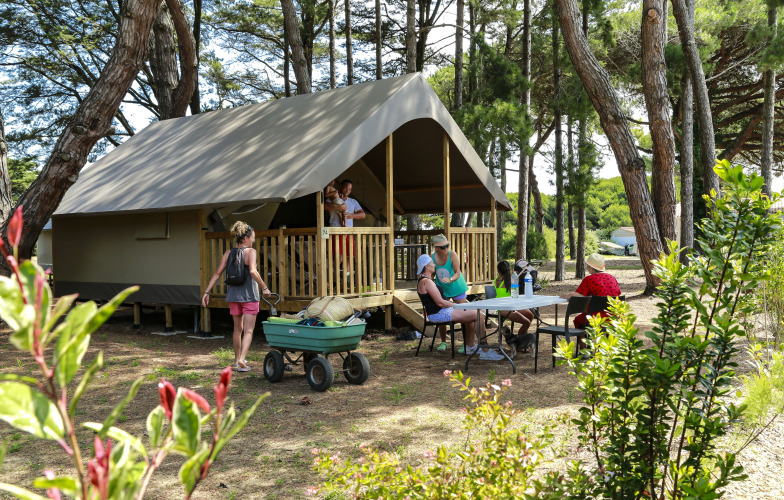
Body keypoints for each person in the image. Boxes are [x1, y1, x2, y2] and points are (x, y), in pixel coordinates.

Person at [202, 221, 272, 372]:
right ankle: (242, 359)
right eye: (252, 238)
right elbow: (252, 271)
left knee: (237, 329)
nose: (253, 240)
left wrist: (207, 292)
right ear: (246, 238)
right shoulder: (251, 252)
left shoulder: (228, 253)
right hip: (249, 296)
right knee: (248, 330)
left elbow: (217, 273)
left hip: (233, 296)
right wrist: (264, 287)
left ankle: (236, 360)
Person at [416, 255, 502, 361]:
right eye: (432, 263)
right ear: (427, 266)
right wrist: (458, 305)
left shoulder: (425, 280)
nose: (434, 265)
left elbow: (441, 302)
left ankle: (470, 346)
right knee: (479, 315)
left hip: (441, 311)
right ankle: (485, 350)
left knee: (473, 313)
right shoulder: (427, 282)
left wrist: (457, 305)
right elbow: (440, 303)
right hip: (439, 313)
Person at [430, 233, 473, 353]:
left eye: (446, 246)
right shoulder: (432, 257)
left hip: (457, 287)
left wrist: (450, 279)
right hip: (442, 290)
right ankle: (443, 341)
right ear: (436, 248)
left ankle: (466, 343)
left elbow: (457, 272)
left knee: (464, 314)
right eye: (442, 247)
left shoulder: (452, 254)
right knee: (442, 314)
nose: (445, 249)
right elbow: (431, 274)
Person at [560, 252, 621, 329]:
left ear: (591, 268)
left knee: (578, 320)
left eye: (587, 266)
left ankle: (585, 337)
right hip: (613, 317)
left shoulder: (589, 279)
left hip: (595, 317)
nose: (587, 268)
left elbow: (578, 295)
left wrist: (564, 296)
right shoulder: (612, 278)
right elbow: (618, 293)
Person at [494, 260, 536, 351]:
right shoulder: (507, 280)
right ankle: (518, 343)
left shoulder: (505, 279)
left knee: (531, 315)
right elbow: (515, 293)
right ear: (509, 270)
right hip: (504, 308)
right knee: (527, 322)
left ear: (499, 271)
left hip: (512, 306)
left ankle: (522, 337)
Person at [326, 179, 366, 258]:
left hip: (349, 232)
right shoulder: (332, 198)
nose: (348, 190)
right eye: (346, 188)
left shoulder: (353, 201)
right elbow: (325, 206)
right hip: (335, 231)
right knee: (338, 257)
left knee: (350, 256)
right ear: (341, 186)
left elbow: (363, 215)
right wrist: (340, 207)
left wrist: (351, 215)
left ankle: (347, 270)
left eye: (350, 189)